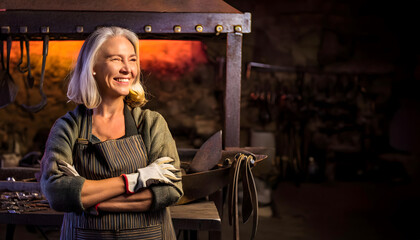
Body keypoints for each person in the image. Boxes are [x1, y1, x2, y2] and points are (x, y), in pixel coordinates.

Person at [40, 26, 183, 239]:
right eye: (116, 59)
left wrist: (87, 199)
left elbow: (169, 191)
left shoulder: (151, 123)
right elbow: (57, 193)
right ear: (93, 67)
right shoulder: (68, 127)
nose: (127, 69)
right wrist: (136, 179)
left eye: (132, 60)